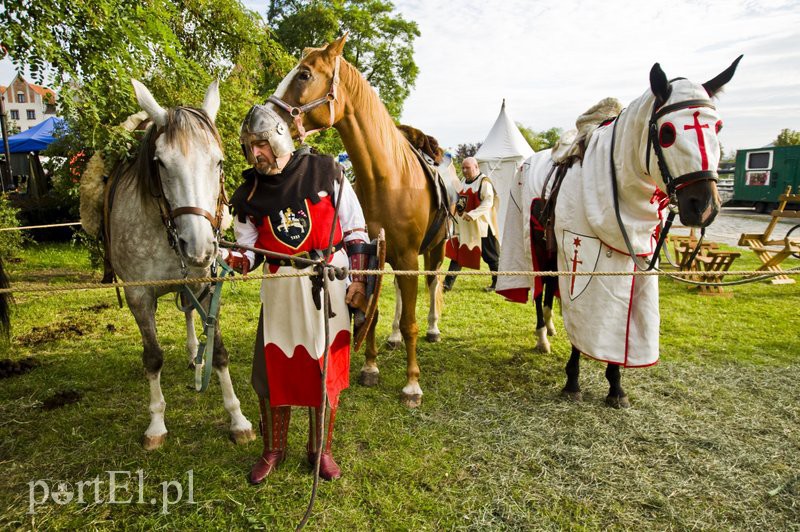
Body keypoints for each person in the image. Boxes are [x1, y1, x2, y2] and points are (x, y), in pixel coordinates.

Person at [225, 104, 369, 484]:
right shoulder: (248, 194)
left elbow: (355, 231)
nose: (255, 154)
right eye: (249, 147)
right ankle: (273, 449)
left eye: (261, 144)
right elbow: (249, 252)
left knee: (325, 370)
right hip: (281, 290)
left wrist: (358, 280)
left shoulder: (328, 171)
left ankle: (320, 450)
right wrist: (227, 259)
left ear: (278, 138)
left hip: (329, 282)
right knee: (273, 372)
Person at [444, 156, 500, 292]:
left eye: (467, 168)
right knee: (459, 255)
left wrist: (473, 214)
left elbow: (488, 202)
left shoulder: (484, 182)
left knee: (491, 257)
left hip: (482, 228)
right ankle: (447, 284)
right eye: (463, 168)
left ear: (476, 167)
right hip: (466, 228)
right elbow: (461, 199)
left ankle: (498, 283)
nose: (464, 170)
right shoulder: (464, 181)